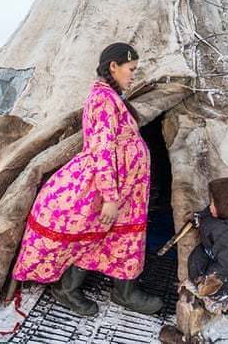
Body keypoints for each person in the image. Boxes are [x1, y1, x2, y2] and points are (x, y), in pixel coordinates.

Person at [12, 42, 162, 317]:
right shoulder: (102, 99)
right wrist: (110, 197)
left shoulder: (111, 96)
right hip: (109, 185)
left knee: (118, 236)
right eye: (131, 69)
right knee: (90, 234)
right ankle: (67, 289)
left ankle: (124, 292)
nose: (134, 75)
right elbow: (102, 149)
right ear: (113, 67)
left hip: (127, 186)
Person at [160, 177, 228, 344]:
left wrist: (211, 281)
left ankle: (213, 304)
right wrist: (199, 217)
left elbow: (227, 267)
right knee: (196, 261)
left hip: (226, 280)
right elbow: (208, 214)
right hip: (212, 253)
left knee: (208, 283)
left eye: (213, 204)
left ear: (224, 208)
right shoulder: (222, 215)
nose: (210, 206)